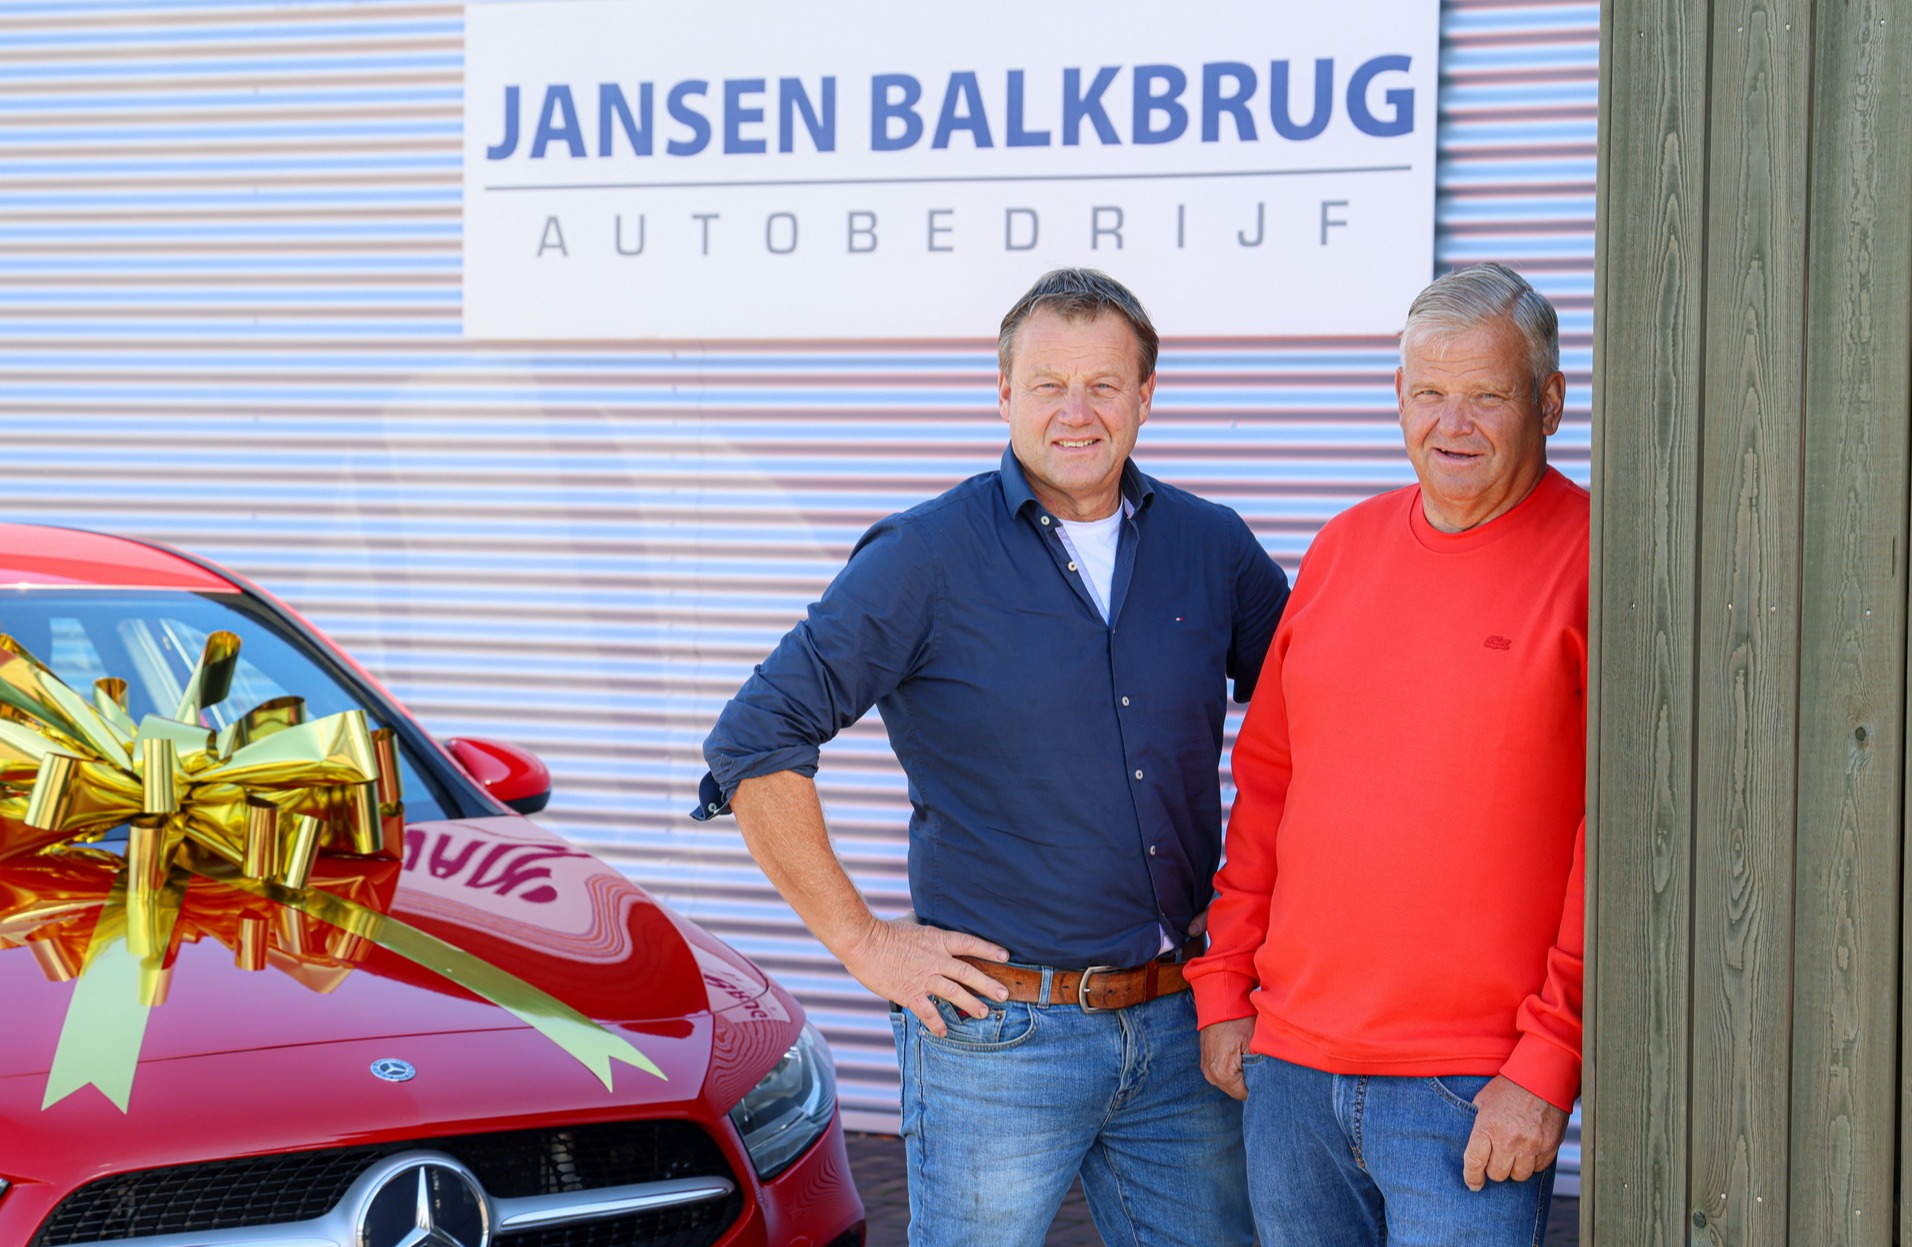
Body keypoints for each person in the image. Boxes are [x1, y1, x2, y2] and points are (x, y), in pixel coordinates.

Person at [695, 268, 1286, 1247]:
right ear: (1003, 391)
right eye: (1048, 384)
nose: (1076, 411)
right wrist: (862, 940)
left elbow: (1322, 720)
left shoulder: (1210, 546)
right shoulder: (925, 555)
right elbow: (755, 738)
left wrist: (1266, 921)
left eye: (1104, 384)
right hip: (1000, 1039)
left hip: (1181, 1024)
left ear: (1146, 394)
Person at [1189, 261, 1585, 1246]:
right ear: (1398, 396)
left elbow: (1616, 837)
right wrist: (1226, 982)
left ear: (1548, 401)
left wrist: (1549, 1059)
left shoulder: (1597, 561)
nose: (1452, 425)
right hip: (1292, 1071)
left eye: (1486, 396)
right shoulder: (1342, 547)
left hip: (1471, 1085)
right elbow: (1269, 785)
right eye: (1429, 393)